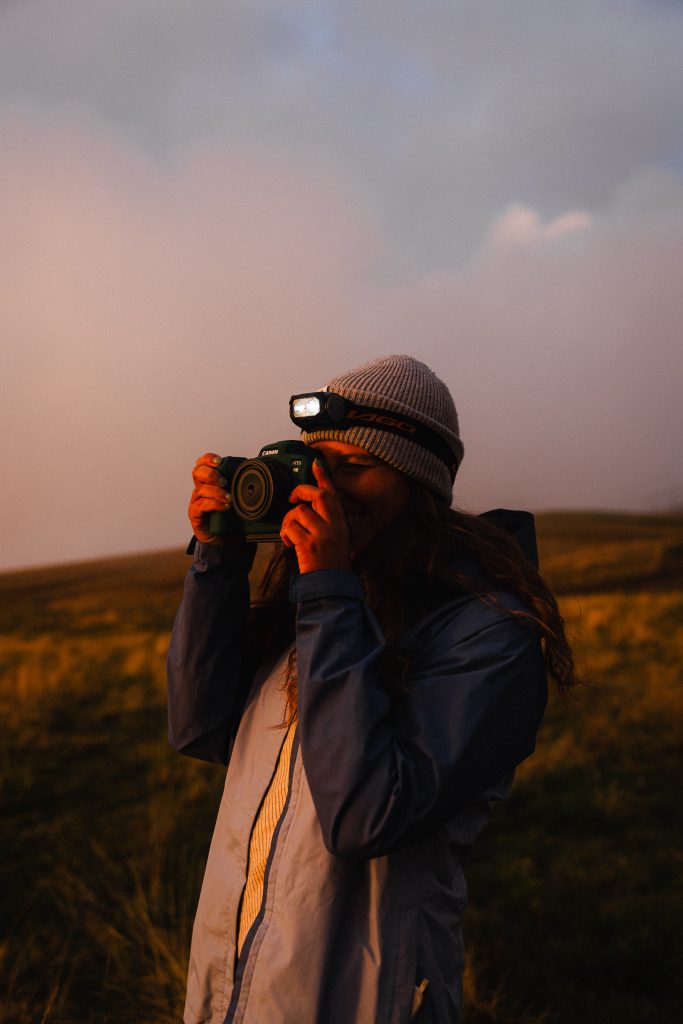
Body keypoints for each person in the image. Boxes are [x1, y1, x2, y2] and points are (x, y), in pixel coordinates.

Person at [167, 354, 575, 1024]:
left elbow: (367, 814)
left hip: (365, 1001)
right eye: (314, 464)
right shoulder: (315, 604)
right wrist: (218, 560)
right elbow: (198, 727)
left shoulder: (487, 633)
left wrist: (329, 591)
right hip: (235, 990)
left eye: (354, 467)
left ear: (417, 484)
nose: (323, 488)